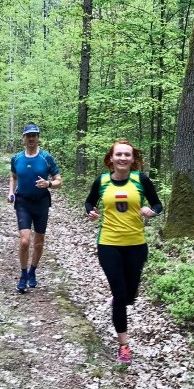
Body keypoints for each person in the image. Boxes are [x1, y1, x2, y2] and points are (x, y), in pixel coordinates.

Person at [84, 140, 162, 364]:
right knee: (120, 296)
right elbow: (89, 202)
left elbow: (158, 205)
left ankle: (120, 297)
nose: (122, 158)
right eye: (118, 154)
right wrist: (91, 211)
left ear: (132, 159)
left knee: (130, 295)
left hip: (137, 244)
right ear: (111, 158)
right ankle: (124, 346)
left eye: (127, 155)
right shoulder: (102, 180)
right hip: (109, 244)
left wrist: (151, 211)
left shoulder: (141, 180)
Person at [8, 123, 62, 292]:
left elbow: (59, 181)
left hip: (41, 202)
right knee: (24, 240)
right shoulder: (16, 158)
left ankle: (32, 271)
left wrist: (48, 183)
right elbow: (13, 176)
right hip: (23, 202)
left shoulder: (46, 158)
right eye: (28, 135)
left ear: (38, 137)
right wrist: (11, 192)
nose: (31, 138)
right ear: (23, 138)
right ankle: (23, 275)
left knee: (38, 243)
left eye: (34, 135)